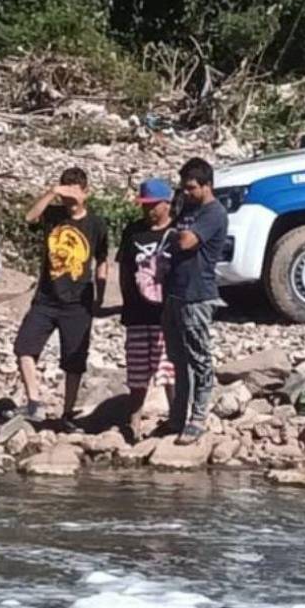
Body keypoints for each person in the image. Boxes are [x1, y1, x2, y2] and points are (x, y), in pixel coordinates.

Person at [13, 167, 108, 425]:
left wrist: (100, 295)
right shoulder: (53, 215)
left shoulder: (96, 224)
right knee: (24, 347)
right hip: (46, 297)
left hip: (79, 301)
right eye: (65, 192)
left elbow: (101, 260)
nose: (68, 199)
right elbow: (29, 218)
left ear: (86, 192)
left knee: (74, 361)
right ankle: (34, 402)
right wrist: (52, 192)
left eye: (73, 192)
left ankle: (68, 412)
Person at [161, 157, 228, 445]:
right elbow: (171, 230)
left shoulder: (213, 213)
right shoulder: (187, 208)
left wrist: (172, 234)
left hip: (197, 294)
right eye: (184, 188)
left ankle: (198, 417)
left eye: (191, 188)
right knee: (177, 359)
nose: (186, 193)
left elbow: (187, 241)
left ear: (207, 186)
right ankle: (177, 416)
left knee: (199, 357)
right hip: (174, 291)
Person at [117, 178, 177, 441]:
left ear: (167, 203)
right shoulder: (133, 232)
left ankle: (176, 417)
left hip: (167, 315)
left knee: (169, 370)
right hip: (137, 314)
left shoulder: (176, 232)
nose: (148, 210)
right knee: (138, 372)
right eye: (144, 205)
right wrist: (127, 303)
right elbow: (124, 270)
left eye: (153, 205)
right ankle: (134, 423)